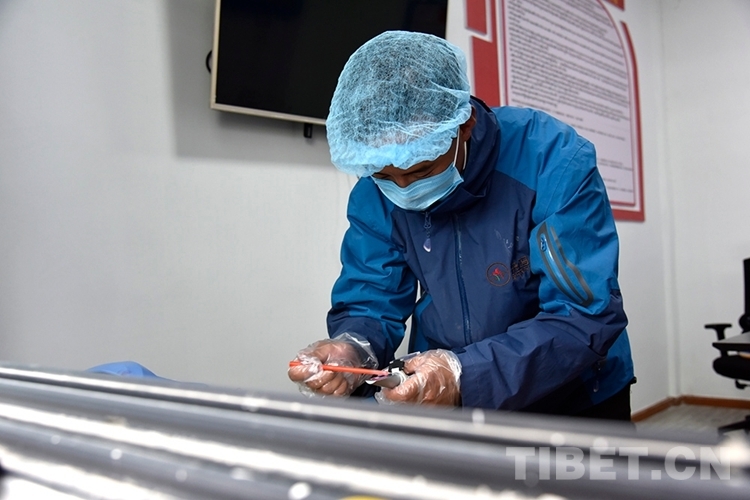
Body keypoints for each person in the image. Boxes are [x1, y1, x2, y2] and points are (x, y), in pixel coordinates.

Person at [287, 31, 635, 419]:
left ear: (464, 126)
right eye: (385, 176)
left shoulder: (551, 159)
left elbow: (582, 315)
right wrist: (353, 347)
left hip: (572, 393)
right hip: (447, 395)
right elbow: (371, 294)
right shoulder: (375, 191)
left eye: (421, 170)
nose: (404, 189)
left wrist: (465, 375)